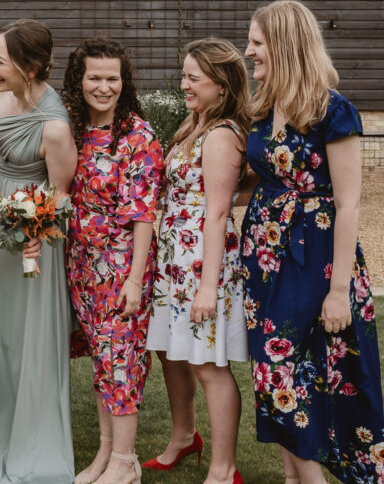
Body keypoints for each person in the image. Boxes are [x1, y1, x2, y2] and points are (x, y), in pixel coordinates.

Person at [240, 0, 383, 484]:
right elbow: (258, 177)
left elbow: (347, 204)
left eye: (257, 42)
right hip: (264, 258)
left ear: (283, 44)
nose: (249, 51)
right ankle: (293, 477)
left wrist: (339, 289)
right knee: (276, 370)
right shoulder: (262, 107)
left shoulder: (332, 110)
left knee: (286, 372)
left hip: (316, 260)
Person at [0, 19, 78, 484]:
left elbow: (62, 195)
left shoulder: (55, 127)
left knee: (26, 336)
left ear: (30, 66)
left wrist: (37, 228)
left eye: (0, 60)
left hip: (34, 239)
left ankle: (29, 437)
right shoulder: (0, 95)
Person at [144, 38, 250, 484]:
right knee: (172, 353)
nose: (183, 84)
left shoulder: (222, 134)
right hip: (174, 264)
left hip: (199, 266)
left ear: (221, 86)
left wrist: (208, 285)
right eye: (184, 74)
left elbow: (219, 211)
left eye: (193, 77)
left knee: (208, 364)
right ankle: (184, 437)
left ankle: (224, 469)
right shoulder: (194, 126)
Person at [62, 38, 163, 484]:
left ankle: (125, 463)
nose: (104, 87)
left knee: (121, 359)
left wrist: (136, 279)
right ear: (78, 80)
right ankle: (107, 455)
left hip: (123, 266)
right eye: (95, 77)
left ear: (125, 81)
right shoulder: (73, 129)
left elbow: (142, 215)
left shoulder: (137, 137)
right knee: (103, 362)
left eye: (112, 78)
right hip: (82, 266)